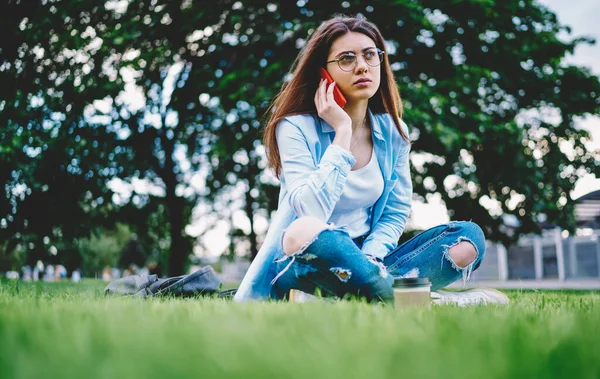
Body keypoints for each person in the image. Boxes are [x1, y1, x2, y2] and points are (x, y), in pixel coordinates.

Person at [234, 15, 507, 305]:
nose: (362, 66)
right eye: (346, 58)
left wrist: (368, 260)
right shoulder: (295, 127)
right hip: (307, 260)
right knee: (303, 231)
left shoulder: (394, 131)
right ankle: (438, 304)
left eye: (370, 55)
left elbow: (395, 211)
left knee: (467, 239)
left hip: (373, 261)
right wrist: (341, 132)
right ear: (323, 74)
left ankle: (352, 295)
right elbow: (310, 209)